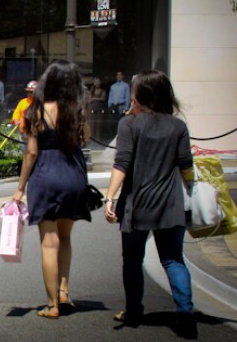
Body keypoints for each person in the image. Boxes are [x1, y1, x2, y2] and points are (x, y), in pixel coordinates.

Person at [104, 70, 197, 338]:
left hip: (136, 205)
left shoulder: (129, 125)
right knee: (173, 259)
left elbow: (122, 164)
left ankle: (133, 312)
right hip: (170, 205)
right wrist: (193, 188)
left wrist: (110, 197)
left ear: (139, 95)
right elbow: (186, 167)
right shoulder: (178, 126)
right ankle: (186, 314)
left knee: (132, 260)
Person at [12, 60, 91, 319]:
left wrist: (20, 188)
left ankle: (51, 304)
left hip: (46, 175)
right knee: (66, 237)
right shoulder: (77, 110)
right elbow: (86, 139)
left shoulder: (36, 111)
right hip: (73, 175)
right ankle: (64, 292)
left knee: (49, 242)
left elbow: (31, 153)